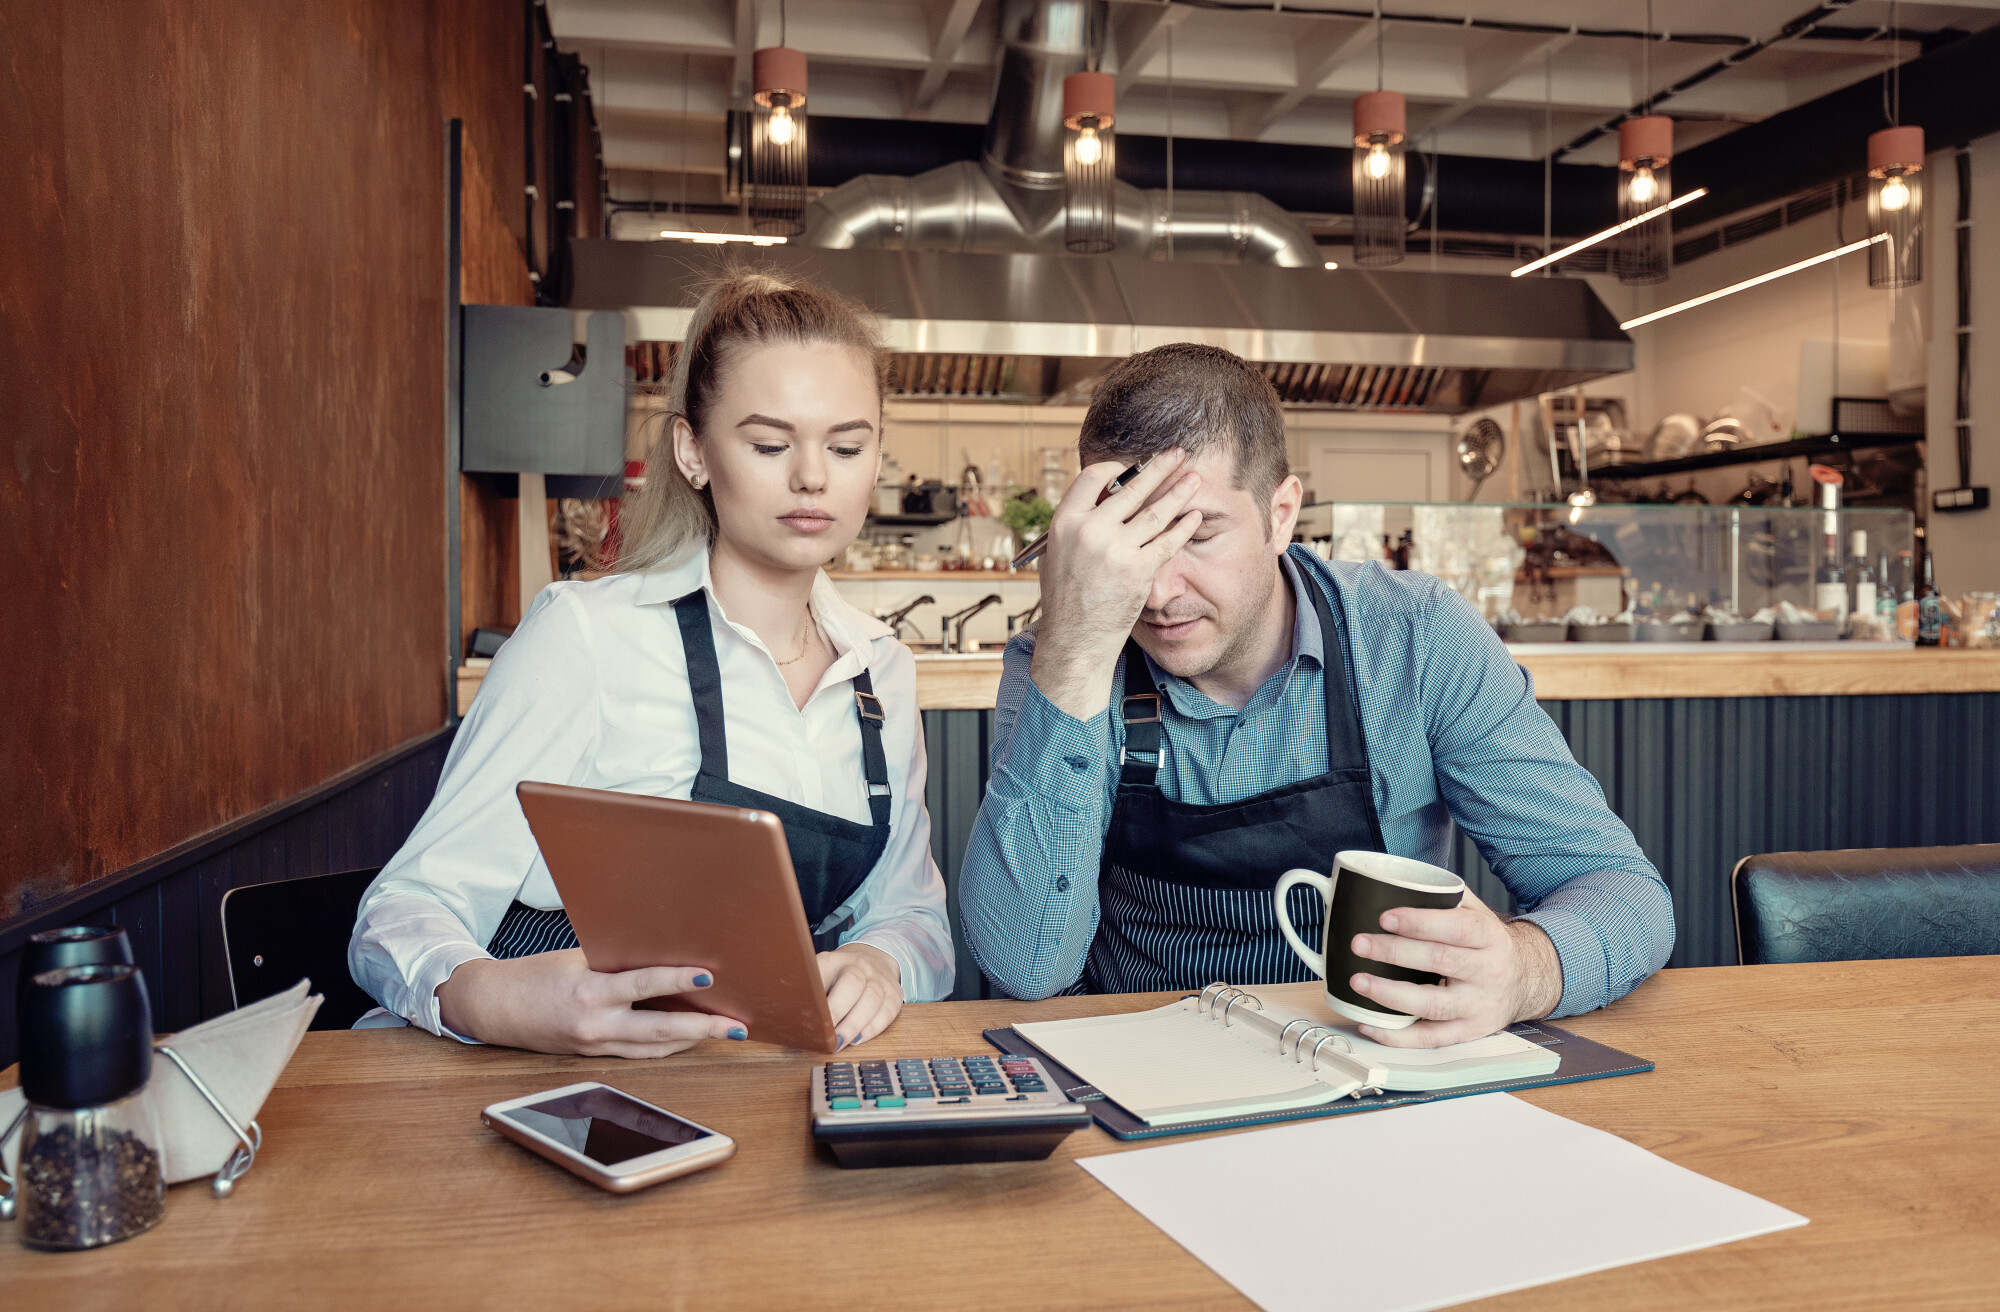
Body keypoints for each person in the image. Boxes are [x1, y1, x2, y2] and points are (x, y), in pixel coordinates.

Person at [959, 343, 1673, 1048]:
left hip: (1369, 1068)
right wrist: (1076, 652)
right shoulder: (1061, 660)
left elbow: (1619, 889)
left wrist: (1525, 970)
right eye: (1130, 542)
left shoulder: (1413, 636)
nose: (1158, 590)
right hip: (1137, 1072)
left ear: (1281, 513)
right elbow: (1027, 966)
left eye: (1199, 534)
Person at [350, 271, 954, 1057]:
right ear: (693, 451)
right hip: (559, 1086)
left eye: (847, 445)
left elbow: (913, 917)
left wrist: (882, 960)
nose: (813, 476)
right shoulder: (588, 637)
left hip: (763, 1083)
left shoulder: (881, 670)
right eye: (770, 444)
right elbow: (403, 908)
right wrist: (497, 1001)